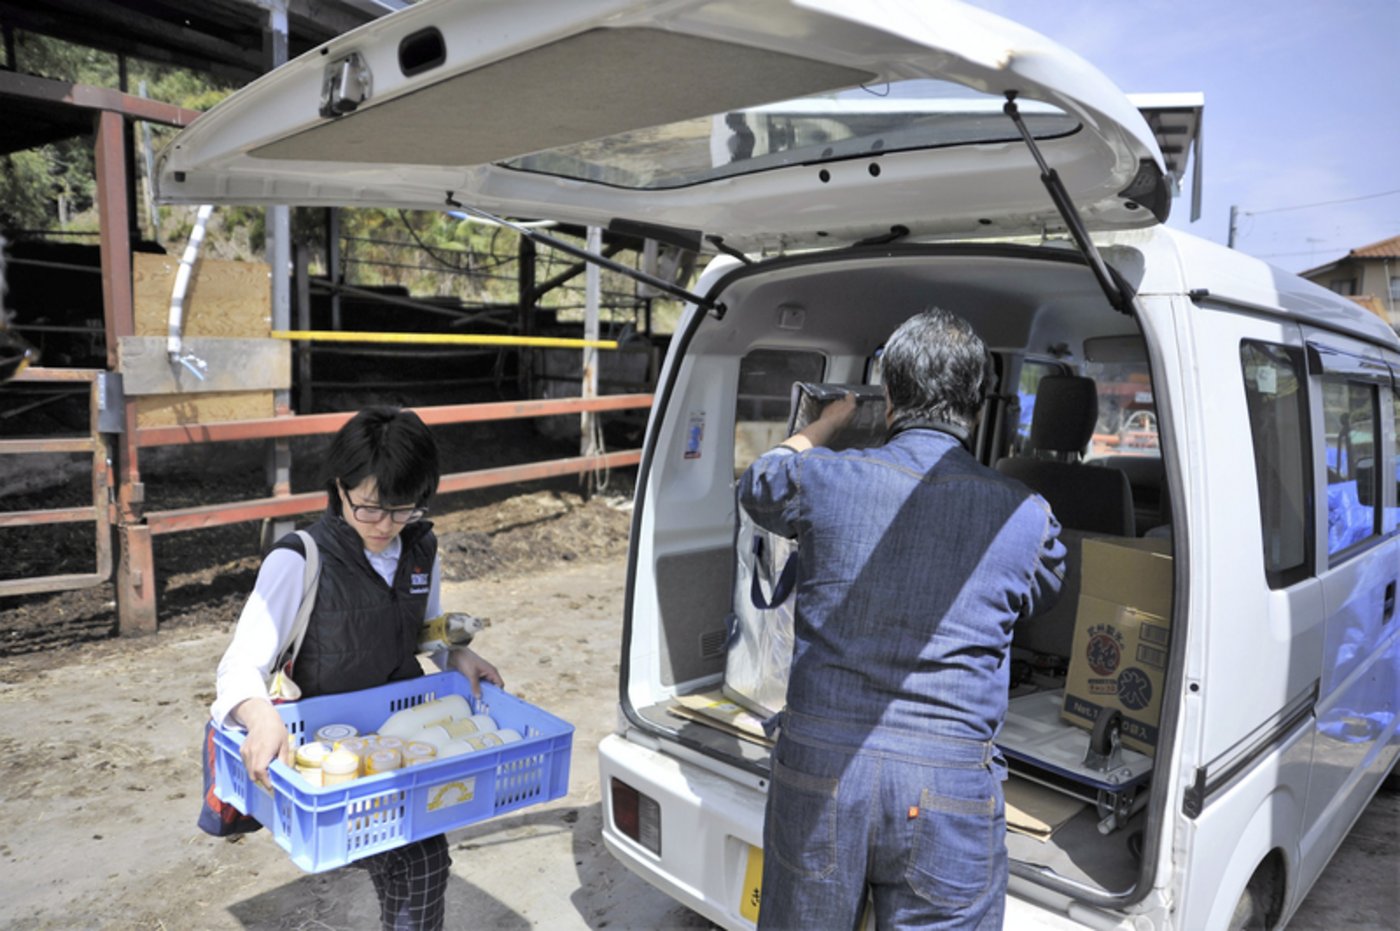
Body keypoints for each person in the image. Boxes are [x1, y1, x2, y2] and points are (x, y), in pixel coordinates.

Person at [739, 309, 1066, 930]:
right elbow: (1042, 593)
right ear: (977, 401)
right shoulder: (1027, 514)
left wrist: (826, 424)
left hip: (819, 771)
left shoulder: (824, 479)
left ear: (887, 394)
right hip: (947, 791)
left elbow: (759, 484)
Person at [211, 405, 502, 931]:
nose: (385, 526)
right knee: (421, 862)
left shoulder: (420, 550)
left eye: (402, 510)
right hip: (326, 754)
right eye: (369, 508)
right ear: (339, 489)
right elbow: (238, 665)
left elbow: (421, 626)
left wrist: (455, 655)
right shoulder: (299, 559)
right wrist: (258, 715)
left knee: (412, 867)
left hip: (398, 742)